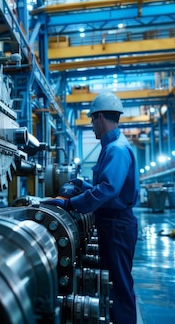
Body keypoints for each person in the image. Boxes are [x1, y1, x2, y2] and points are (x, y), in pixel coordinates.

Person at [44, 91, 140, 324]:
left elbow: (108, 190)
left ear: (99, 118)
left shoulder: (116, 149)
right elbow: (107, 186)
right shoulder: (113, 147)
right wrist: (83, 184)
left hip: (116, 223)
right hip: (113, 221)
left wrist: (71, 203)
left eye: (92, 120)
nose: (92, 126)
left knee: (118, 284)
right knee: (115, 281)